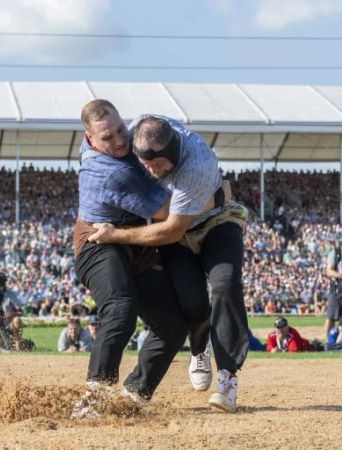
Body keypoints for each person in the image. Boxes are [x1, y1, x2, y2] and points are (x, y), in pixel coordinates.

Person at [88, 113, 249, 413]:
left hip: (213, 223)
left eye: (159, 165)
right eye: (146, 164)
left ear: (174, 153)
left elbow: (172, 227)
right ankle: (199, 348)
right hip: (176, 234)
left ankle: (228, 379)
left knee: (226, 284)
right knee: (192, 304)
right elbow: (97, 138)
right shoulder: (133, 134)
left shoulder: (197, 162)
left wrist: (116, 234)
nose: (151, 170)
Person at [71, 100, 191, 410]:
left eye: (121, 130)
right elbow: (169, 213)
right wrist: (214, 194)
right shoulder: (112, 173)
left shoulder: (104, 144)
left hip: (133, 243)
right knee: (121, 309)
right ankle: (93, 400)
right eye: (107, 138)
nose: (121, 140)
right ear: (90, 139)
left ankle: (133, 395)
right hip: (98, 242)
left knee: (173, 327)